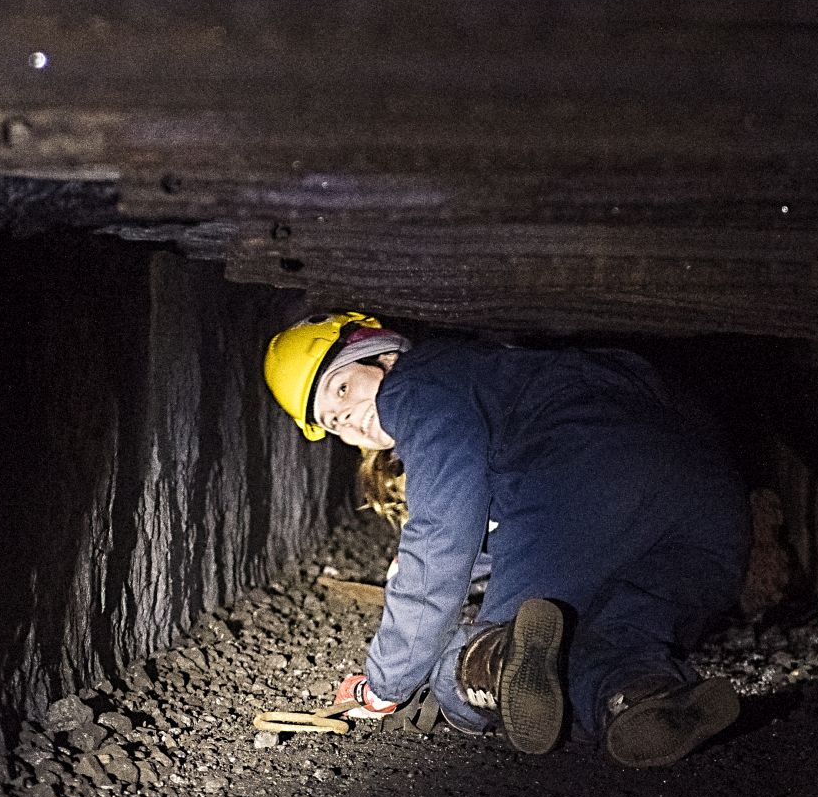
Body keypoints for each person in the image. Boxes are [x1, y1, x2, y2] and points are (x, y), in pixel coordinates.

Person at [262, 311, 750, 768]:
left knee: (474, 658)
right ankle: (641, 698)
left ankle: (491, 665)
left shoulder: (414, 384)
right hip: (712, 511)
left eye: (342, 388)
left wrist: (386, 681)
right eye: (332, 422)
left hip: (578, 483)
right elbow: (481, 526)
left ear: (382, 354)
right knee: (614, 630)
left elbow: (439, 540)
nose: (347, 418)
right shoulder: (499, 377)